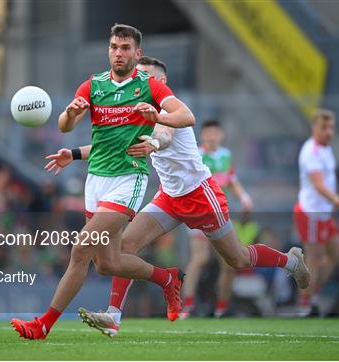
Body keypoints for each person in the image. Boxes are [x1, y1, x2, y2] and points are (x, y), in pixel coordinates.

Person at [45, 56, 310, 337]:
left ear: (161, 82)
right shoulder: (134, 110)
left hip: (199, 195)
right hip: (168, 198)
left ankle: (291, 261)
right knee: (125, 246)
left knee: (238, 259)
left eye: (146, 74)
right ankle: (114, 316)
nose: (139, 78)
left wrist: (154, 144)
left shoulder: (167, 109)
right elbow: (107, 147)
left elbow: (165, 134)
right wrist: (73, 154)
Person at [10, 24, 196, 340]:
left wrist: (156, 117)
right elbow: (65, 125)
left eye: (125, 48)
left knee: (80, 249)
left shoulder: (149, 86)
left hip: (128, 180)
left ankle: (43, 325)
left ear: (137, 54)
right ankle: (166, 279)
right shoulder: (93, 85)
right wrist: (70, 114)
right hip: (96, 181)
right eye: (113, 46)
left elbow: (187, 116)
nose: (118, 53)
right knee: (107, 264)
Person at [181, 120, 254, 318]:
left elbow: (231, 180)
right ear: (202, 136)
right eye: (208, 133)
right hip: (197, 212)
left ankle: (222, 308)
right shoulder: (195, 153)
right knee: (200, 258)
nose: (212, 136)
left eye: (215, 133)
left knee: (229, 263)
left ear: (221, 135)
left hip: (220, 213)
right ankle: (188, 306)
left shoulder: (225, 155)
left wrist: (244, 198)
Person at [294, 109, 339, 316]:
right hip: (310, 212)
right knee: (314, 257)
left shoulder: (326, 149)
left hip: (324, 214)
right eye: (324, 127)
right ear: (315, 128)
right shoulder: (310, 151)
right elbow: (319, 185)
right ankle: (305, 303)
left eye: (331, 127)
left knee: (336, 253)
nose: (329, 132)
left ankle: (312, 291)